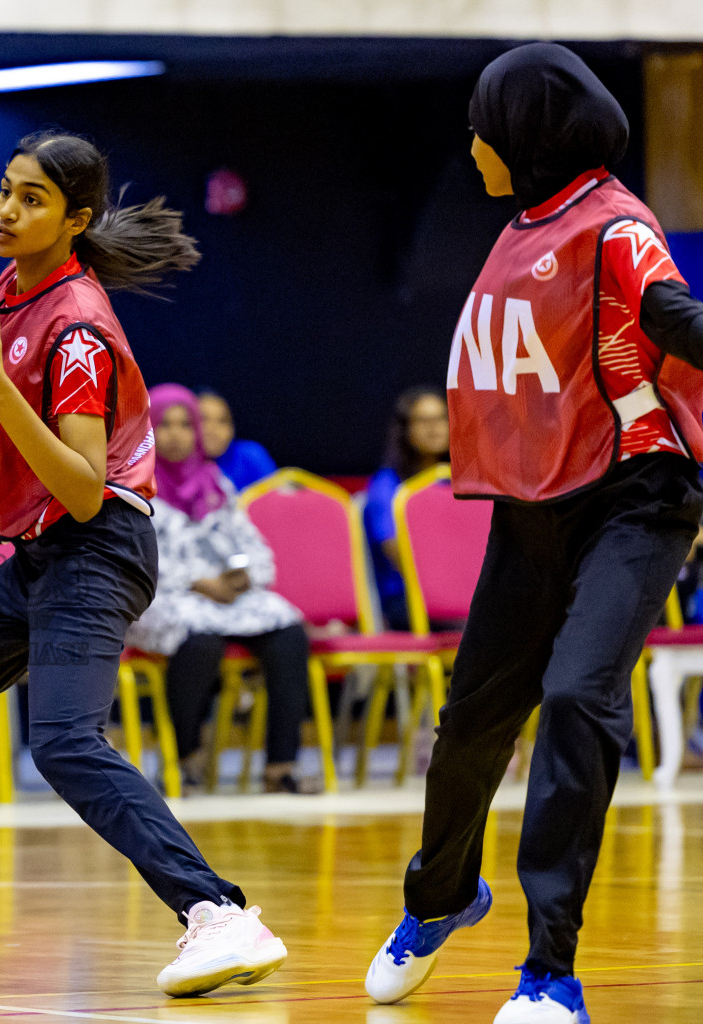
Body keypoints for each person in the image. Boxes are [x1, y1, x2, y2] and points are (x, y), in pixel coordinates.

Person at [0, 130, 288, 997]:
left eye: (32, 198)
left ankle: (219, 915)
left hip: (100, 544)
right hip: (39, 555)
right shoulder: (1, 291)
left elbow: (83, 490)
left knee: (66, 742)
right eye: (5, 191)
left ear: (75, 219)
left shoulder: (78, 329)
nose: (7, 209)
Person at [365, 44, 703, 1024]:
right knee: (470, 722)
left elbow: (671, 316)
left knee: (576, 696)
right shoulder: (519, 229)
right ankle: (440, 897)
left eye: (484, 125)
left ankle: (550, 972)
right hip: (534, 510)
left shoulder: (614, 223)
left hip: (635, 497)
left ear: (530, 135)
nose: (472, 144)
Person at [127, 385, 316, 794]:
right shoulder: (132, 486)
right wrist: (198, 581)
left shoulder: (216, 484)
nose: (176, 435)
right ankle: (185, 759)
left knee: (288, 633)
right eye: (164, 425)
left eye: (185, 425)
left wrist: (242, 574)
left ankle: (281, 765)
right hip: (163, 596)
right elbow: (136, 557)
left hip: (223, 595)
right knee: (200, 643)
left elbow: (249, 543)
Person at [362, 387, 451, 631]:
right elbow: (396, 552)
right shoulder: (387, 486)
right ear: (405, 429)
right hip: (408, 599)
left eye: (442, 418)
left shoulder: (460, 482)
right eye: (423, 420)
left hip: (465, 593)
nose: (434, 427)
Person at [196, 389, 277, 491]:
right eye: (204, 419)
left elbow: (276, 497)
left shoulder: (251, 455)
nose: (213, 429)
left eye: (222, 421)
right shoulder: (178, 466)